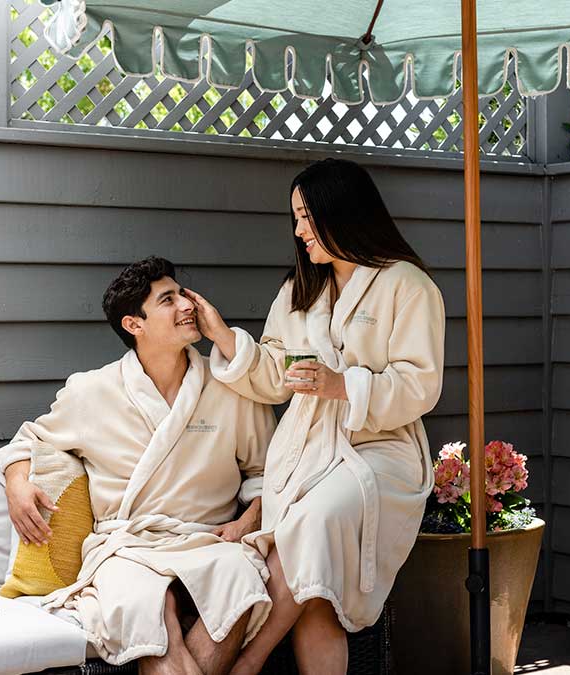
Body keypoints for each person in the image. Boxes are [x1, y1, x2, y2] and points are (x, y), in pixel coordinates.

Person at [188, 158, 446, 674]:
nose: (300, 230)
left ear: (341, 212)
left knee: (315, 520)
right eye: (297, 219)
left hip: (381, 448)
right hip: (307, 450)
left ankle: (250, 661)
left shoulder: (407, 285)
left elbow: (421, 384)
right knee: (318, 596)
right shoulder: (299, 290)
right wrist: (222, 336)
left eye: (307, 216)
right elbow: (272, 373)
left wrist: (342, 386)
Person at [0, 257, 277, 675]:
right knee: (148, 604)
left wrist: (249, 520)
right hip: (126, 546)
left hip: (208, 541)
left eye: (181, 293)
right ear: (134, 325)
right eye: (167, 300)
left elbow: (267, 473)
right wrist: (17, 483)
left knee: (239, 585)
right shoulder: (92, 391)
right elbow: (29, 439)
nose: (186, 305)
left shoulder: (229, 388)